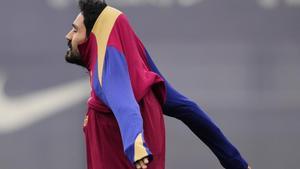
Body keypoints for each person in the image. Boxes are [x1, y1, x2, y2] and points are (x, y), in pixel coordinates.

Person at [65, 0, 251, 169]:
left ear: (93, 38)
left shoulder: (105, 79)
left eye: (75, 30)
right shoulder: (147, 84)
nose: (68, 35)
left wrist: (135, 143)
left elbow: (126, 106)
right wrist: (235, 162)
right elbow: (190, 111)